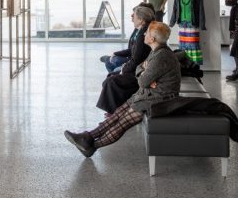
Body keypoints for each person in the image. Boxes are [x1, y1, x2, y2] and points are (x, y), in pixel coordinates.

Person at [65, 22, 181, 157]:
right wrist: (145, 73)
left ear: (152, 39)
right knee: (118, 114)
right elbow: (140, 69)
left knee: (122, 122)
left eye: (147, 33)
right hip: (150, 94)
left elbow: (143, 82)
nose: (144, 34)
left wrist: (145, 74)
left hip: (160, 100)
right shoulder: (157, 51)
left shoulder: (161, 56)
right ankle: (88, 136)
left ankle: (92, 146)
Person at [96, 6, 155, 114]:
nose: (133, 18)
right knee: (111, 76)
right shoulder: (143, 30)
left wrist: (124, 69)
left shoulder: (143, 34)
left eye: (135, 16)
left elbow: (136, 59)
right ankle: (114, 110)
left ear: (141, 20)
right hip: (139, 68)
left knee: (111, 80)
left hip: (139, 72)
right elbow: (135, 53)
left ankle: (114, 112)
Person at [100, 3, 155, 73]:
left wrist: (124, 69)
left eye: (135, 14)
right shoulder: (140, 29)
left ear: (142, 17)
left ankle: (112, 68)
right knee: (112, 64)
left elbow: (136, 59)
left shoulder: (144, 33)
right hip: (133, 60)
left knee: (112, 63)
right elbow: (133, 50)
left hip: (137, 64)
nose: (132, 15)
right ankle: (113, 71)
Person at [169, 0, 206, 65]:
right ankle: (183, 64)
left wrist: (202, 24)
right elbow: (175, 8)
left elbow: (201, 9)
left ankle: (194, 64)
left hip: (192, 23)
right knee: (183, 44)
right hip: (182, 23)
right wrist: (172, 22)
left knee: (193, 44)